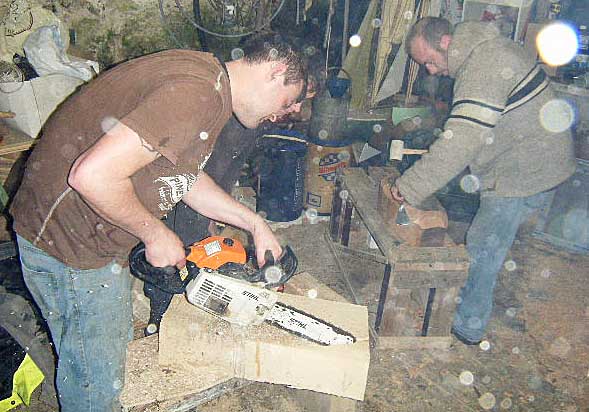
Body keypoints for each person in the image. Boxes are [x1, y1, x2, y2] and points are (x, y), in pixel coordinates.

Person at [9, 37, 307, 411]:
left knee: (98, 352)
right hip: (70, 244)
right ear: (276, 71)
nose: (285, 114)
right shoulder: (196, 95)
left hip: (89, 235)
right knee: (95, 380)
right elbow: (91, 176)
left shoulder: (210, 84)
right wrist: (154, 232)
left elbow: (183, 177)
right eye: (287, 102)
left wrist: (254, 224)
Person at [392, 17, 576, 345]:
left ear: (446, 42)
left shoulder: (483, 65)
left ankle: (467, 326)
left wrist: (409, 186)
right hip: (544, 159)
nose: (431, 71)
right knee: (497, 241)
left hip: (525, 168)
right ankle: (492, 294)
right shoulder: (489, 48)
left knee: (483, 245)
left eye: (430, 61)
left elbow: (462, 140)